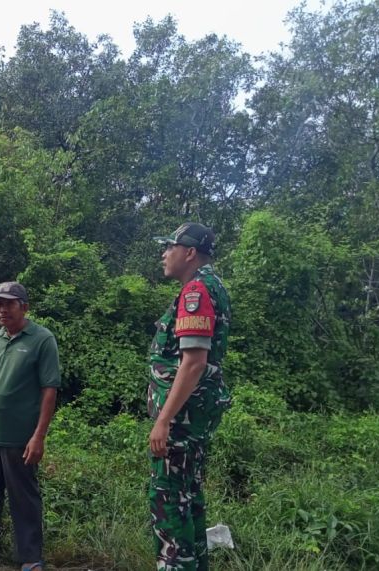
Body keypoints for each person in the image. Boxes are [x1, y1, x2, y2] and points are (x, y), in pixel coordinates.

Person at [148, 223, 232, 570]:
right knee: (189, 497)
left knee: (169, 498)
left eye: (170, 247)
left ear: (190, 252)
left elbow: (194, 363)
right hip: (193, 416)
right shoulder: (213, 286)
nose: (164, 254)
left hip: (182, 419)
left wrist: (164, 420)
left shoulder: (197, 290)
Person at [0, 282, 60, 571]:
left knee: (24, 496)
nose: (1, 309)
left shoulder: (42, 339)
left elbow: (49, 390)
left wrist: (38, 437)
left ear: (24, 307)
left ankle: (30, 557)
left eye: (8, 303)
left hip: (20, 436)